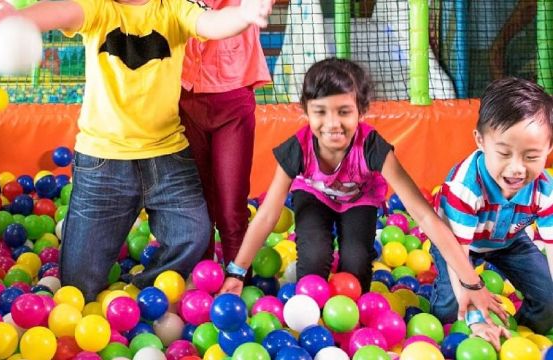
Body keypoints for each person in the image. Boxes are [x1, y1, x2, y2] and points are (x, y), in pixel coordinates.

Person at [0, 0, 274, 301]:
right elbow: (60, 11)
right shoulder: (98, 8)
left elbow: (210, 24)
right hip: (103, 162)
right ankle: (124, 298)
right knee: (77, 285)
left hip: (166, 155)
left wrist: (243, 14)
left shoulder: (173, 8)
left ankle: (144, 296)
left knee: (194, 235)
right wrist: (22, 20)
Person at [219, 58, 505, 331]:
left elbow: (423, 215)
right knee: (315, 255)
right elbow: (268, 214)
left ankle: (349, 322)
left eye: (344, 111)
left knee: (356, 262)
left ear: (361, 111)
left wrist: (472, 283)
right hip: (314, 197)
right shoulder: (297, 148)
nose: (332, 124)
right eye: (320, 112)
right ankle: (309, 319)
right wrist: (236, 271)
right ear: (305, 112)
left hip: (360, 199)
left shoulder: (372, 147)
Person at [432, 77, 553, 347]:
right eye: (504, 153)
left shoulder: (545, 189)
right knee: (452, 309)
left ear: (549, 148)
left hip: (509, 242)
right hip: (458, 245)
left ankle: (518, 333)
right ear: (480, 141)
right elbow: (456, 252)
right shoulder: (465, 187)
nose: (516, 169)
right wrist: (475, 319)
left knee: (549, 299)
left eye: (531, 157)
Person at [179, 0, 271, 266]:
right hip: (183, 93)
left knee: (231, 208)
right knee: (196, 205)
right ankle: (199, 282)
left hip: (232, 94)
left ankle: (238, 279)